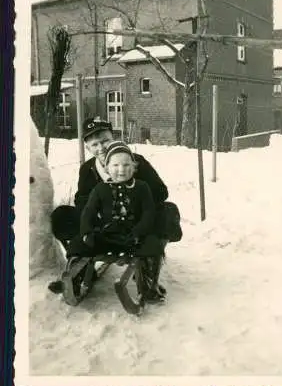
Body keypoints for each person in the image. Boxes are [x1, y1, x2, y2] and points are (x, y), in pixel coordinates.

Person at [48, 116, 182, 299]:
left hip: (137, 224)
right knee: (62, 216)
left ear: (114, 137)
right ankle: (79, 268)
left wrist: (136, 199)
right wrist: (99, 215)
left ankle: (149, 269)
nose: (101, 148)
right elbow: (82, 202)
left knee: (168, 211)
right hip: (104, 227)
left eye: (105, 141)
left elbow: (161, 192)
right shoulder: (88, 169)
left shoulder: (135, 162)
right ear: (88, 147)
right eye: (95, 144)